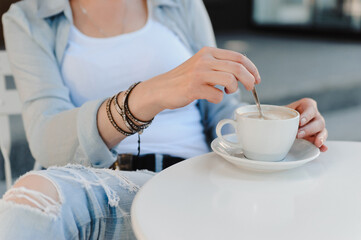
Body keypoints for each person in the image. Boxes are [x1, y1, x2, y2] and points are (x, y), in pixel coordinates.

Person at [0, 0, 328, 239]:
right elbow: (47, 141)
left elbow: (223, 111)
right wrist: (149, 95)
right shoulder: (31, 17)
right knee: (30, 201)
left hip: (195, 180)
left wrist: (278, 129)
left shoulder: (181, 5)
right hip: (96, 188)